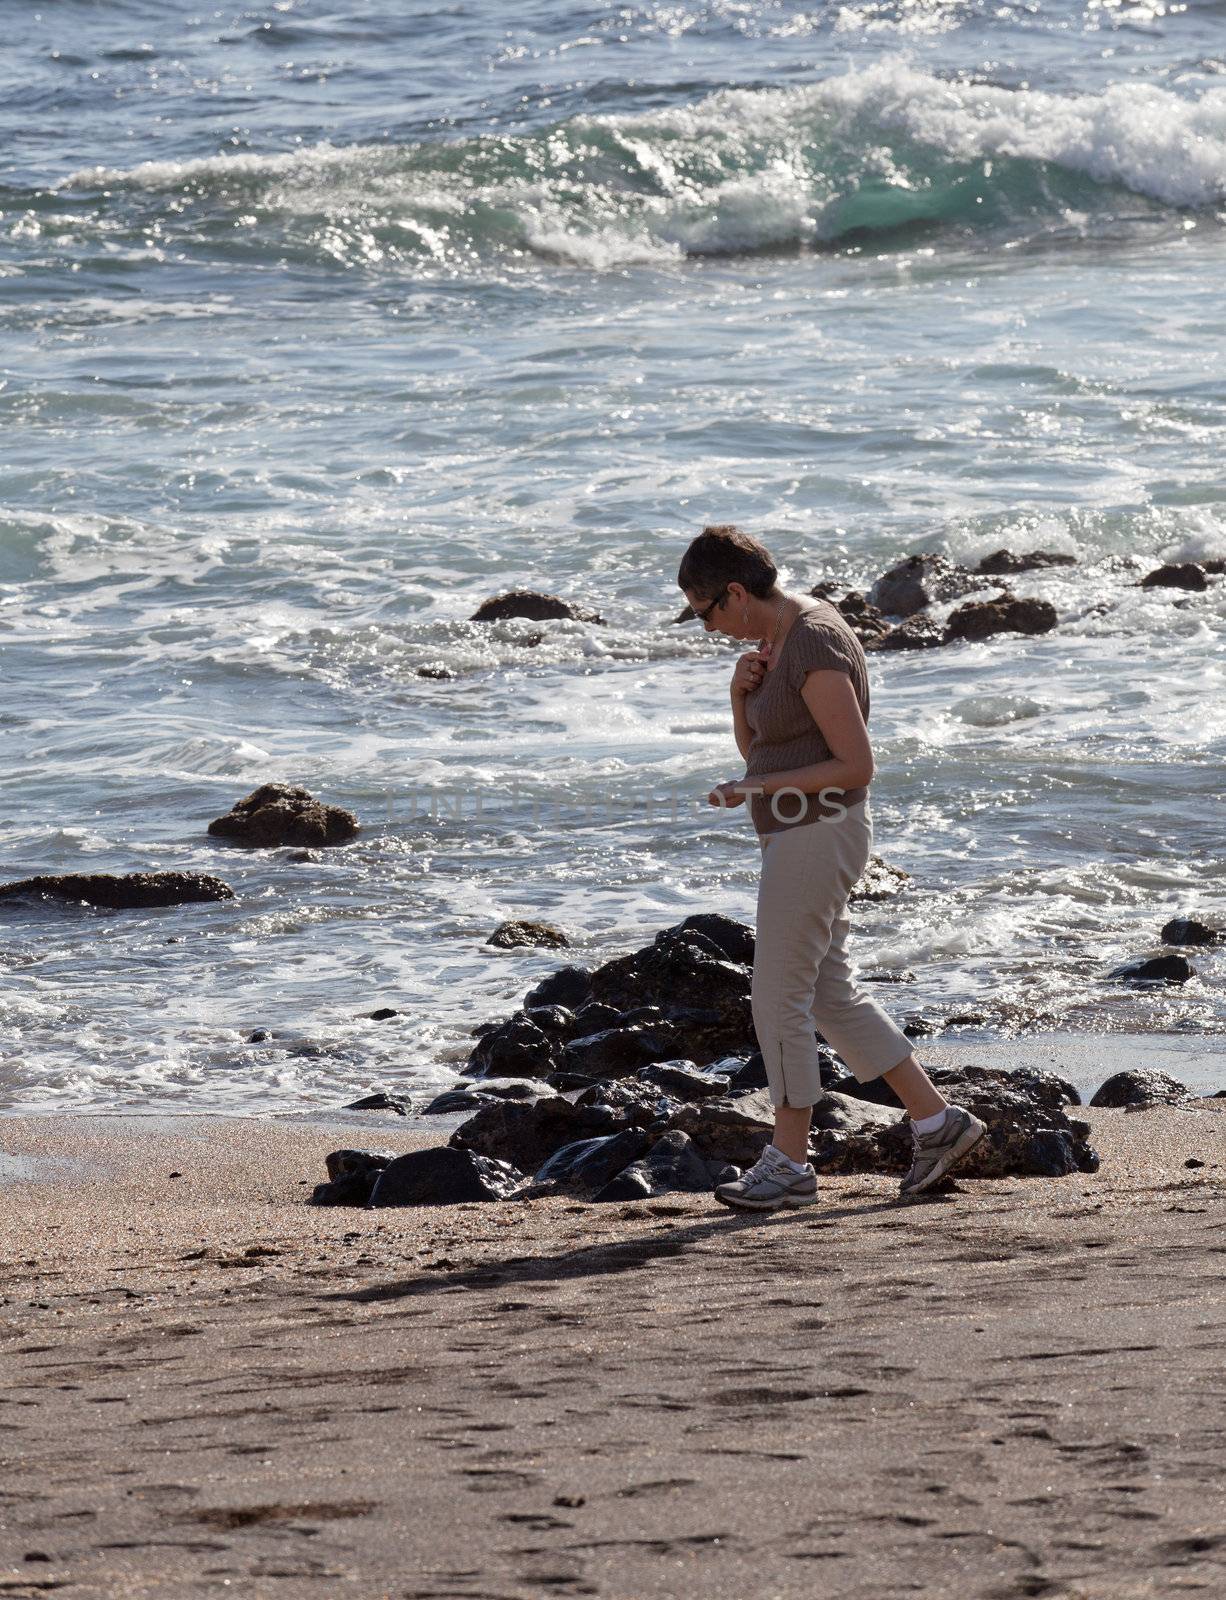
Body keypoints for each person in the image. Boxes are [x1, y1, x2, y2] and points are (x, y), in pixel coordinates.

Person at [677, 524, 986, 1211]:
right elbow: (763, 750)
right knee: (827, 994)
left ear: (735, 592)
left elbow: (857, 764)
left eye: (706, 614)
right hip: (797, 833)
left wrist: (752, 790)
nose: (707, 628)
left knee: (776, 996)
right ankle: (939, 1122)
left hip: (819, 833)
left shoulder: (813, 638)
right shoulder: (774, 641)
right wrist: (738, 697)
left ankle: (788, 1162)